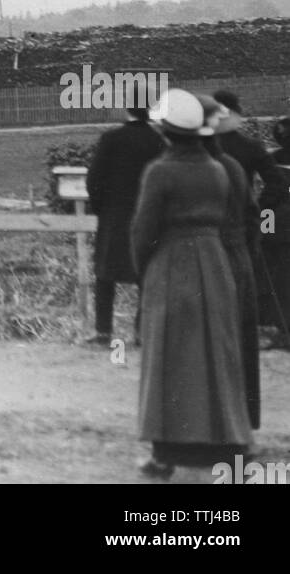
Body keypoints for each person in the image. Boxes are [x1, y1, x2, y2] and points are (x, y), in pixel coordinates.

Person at [132, 89, 251, 479]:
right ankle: (227, 444)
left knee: (169, 355)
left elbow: (143, 231)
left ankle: (165, 453)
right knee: (217, 352)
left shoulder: (160, 171)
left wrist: (143, 270)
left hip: (171, 261)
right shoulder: (218, 169)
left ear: (166, 133)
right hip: (214, 261)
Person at [198, 95, 260, 431]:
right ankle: (242, 424)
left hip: (205, 261)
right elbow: (253, 218)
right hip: (238, 259)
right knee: (239, 346)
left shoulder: (183, 169)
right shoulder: (234, 166)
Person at [84, 91, 163, 345]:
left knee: (105, 275)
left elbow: (94, 179)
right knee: (146, 276)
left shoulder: (111, 138)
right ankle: (142, 333)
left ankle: (103, 332)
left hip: (114, 217)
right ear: (149, 109)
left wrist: (100, 209)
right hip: (147, 218)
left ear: (126, 108)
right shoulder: (159, 141)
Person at [259, 115, 290, 350]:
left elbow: (268, 199)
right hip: (277, 224)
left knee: (278, 278)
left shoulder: (272, 160)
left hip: (276, 225)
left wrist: (264, 228)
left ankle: (281, 328)